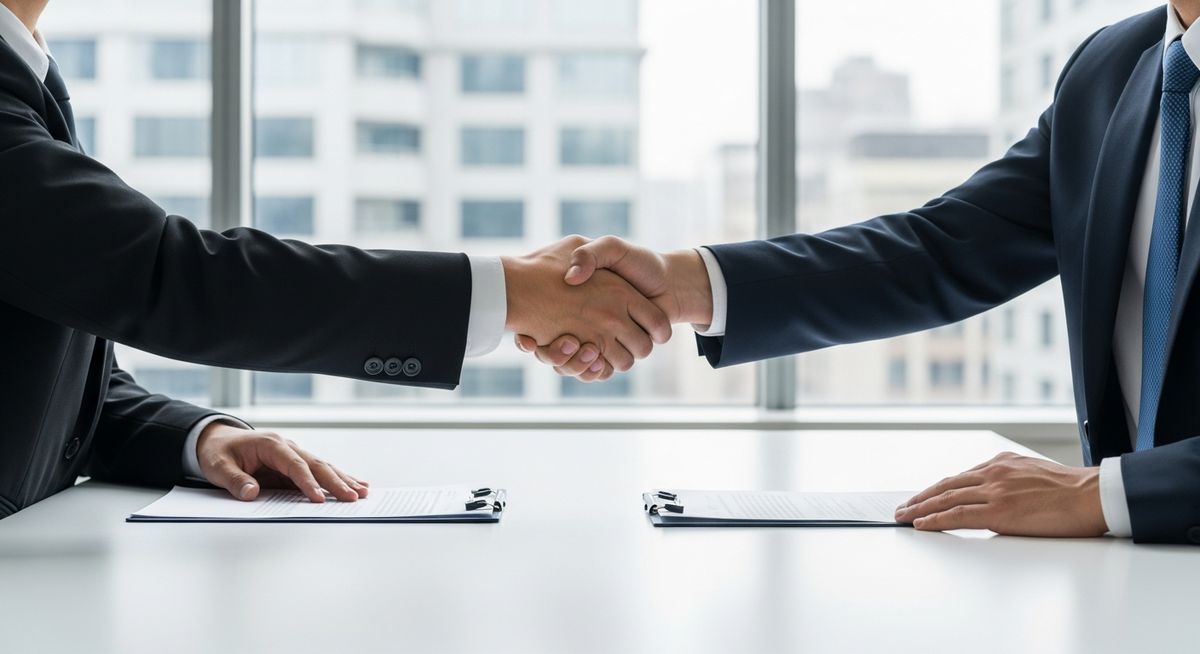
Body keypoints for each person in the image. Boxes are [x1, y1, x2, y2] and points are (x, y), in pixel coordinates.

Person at [520, 2, 1200, 545]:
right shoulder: (1110, 70)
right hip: (1133, 590)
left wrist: (1105, 495)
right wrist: (683, 285)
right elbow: (940, 252)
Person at [0, 0, 669, 518]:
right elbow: (174, 278)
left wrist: (197, 438)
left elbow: (74, 373)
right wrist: (513, 293)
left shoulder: (28, 73)